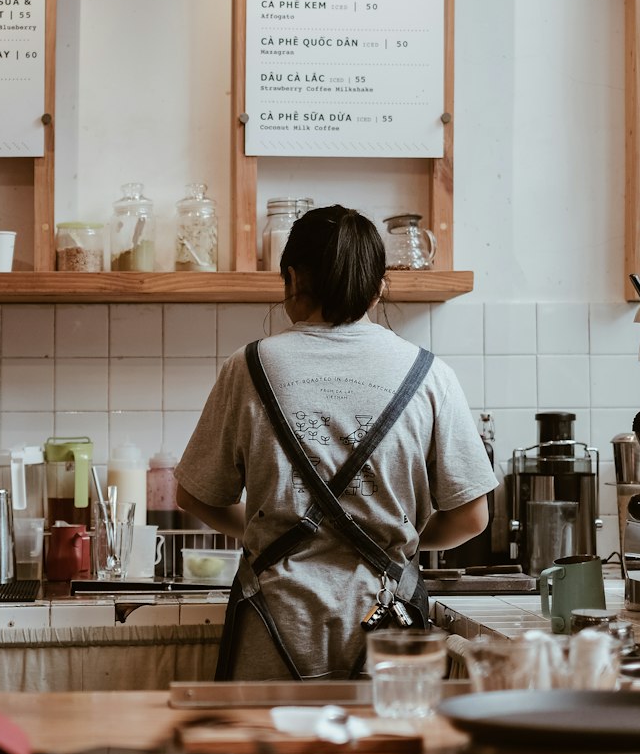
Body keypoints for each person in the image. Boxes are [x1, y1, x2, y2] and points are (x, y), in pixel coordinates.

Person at [175, 205, 497, 681]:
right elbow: (473, 517)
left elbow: (194, 495)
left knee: (268, 750)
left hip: (273, 623)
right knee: (383, 750)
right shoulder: (429, 375)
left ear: (291, 278)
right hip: (387, 632)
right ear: (377, 284)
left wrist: (268, 538)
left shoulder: (248, 368)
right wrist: (395, 544)